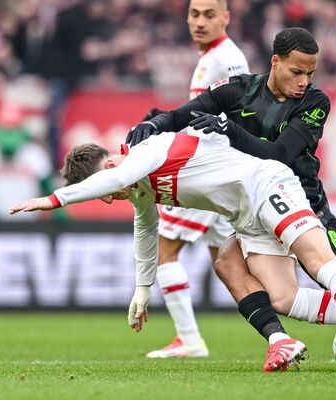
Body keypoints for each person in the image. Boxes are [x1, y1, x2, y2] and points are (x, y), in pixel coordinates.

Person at [126, 27, 336, 371]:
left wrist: (231, 131)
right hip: (256, 207)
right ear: (275, 62)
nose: (304, 81)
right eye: (297, 72)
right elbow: (182, 115)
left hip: (304, 204)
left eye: (311, 73)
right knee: (266, 288)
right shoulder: (237, 90)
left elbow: (279, 154)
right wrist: (155, 124)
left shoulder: (315, 103)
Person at [9, 131, 336, 373]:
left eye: (108, 190)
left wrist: (54, 199)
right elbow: (145, 229)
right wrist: (143, 290)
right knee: (283, 298)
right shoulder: (139, 185)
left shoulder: (147, 152)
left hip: (267, 185)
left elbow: (121, 179)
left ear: (111, 165)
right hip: (246, 216)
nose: (113, 197)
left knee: (319, 262)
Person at [143, 0, 249, 360]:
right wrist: (169, 121)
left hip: (202, 170)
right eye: (194, 14)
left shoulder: (227, 58)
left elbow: (240, 110)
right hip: (217, 170)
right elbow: (207, 112)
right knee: (231, 267)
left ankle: (189, 339)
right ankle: (280, 333)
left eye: (209, 14)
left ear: (226, 18)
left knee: (164, 251)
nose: (200, 22)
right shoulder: (212, 56)